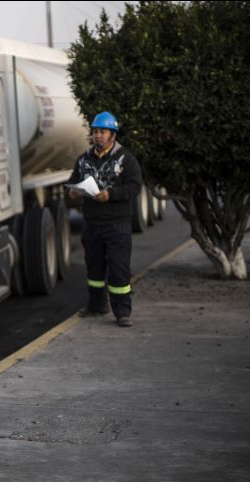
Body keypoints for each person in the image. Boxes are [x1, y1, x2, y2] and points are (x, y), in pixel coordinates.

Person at [67, 111, 142, 327]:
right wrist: (72, 192)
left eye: (103, 132)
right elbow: (72, 181)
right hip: (91, 223)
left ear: (113, 135)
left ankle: (122, 312)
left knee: (119, 269)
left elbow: (135, 186)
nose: (98, 135)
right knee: (94, 269)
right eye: (96, 131)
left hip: (117, 223)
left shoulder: (126, 159)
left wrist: (111, 195)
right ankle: (96, 306)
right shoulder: (83, 160)